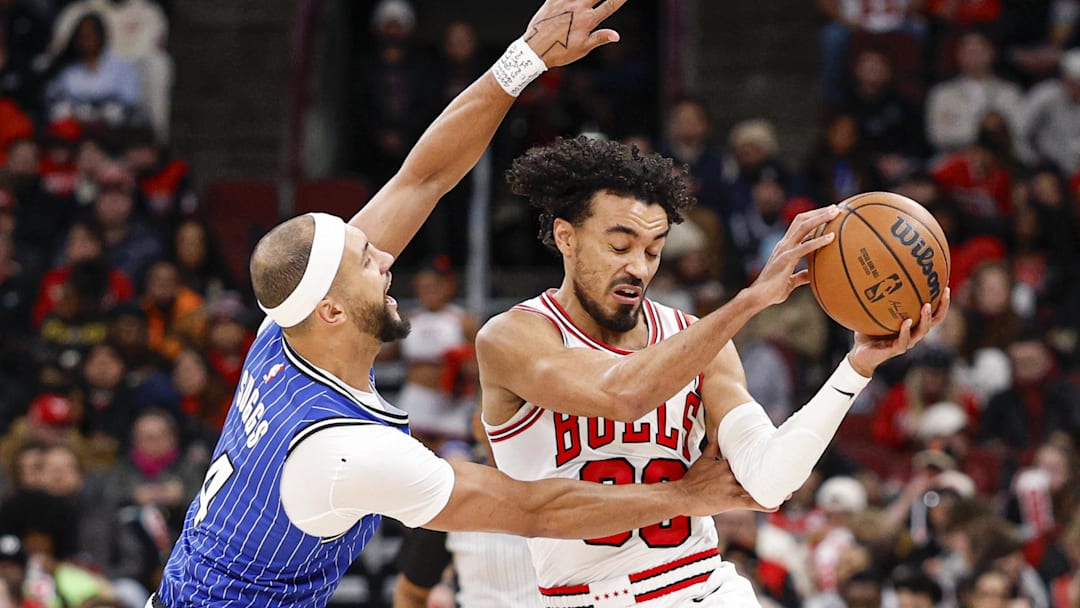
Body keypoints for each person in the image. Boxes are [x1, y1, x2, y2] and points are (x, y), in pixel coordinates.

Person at [152, 1, 763, 606]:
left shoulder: (285, 329)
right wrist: (689, 497)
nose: (388, 259)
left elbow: (423, 178)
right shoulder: (343, 448)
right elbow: (534, 507)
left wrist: (524, 59)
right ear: (333, 310)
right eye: (369, 263)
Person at [476, 135, 951, 607]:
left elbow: (768, 483)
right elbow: (623, 395)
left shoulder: (693, 338)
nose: (639, 268)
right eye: (620, 246)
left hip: (702, 589)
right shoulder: (513, 338)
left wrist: (855, 368)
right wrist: (750, 301)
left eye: (653, 250)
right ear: (566, 237)